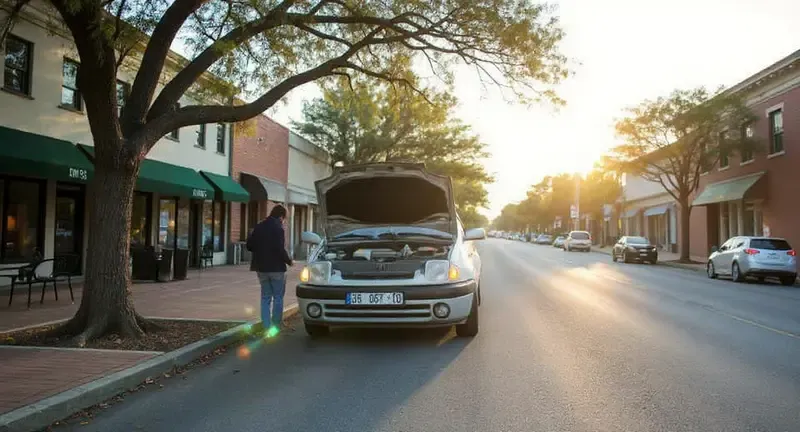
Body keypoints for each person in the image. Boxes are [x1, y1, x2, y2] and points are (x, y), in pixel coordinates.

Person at [246, 205, 293, 338]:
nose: (284, 221)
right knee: (278, 297)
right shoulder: (278, 228)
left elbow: (249, 246)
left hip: (261, 268)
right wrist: (289, 261)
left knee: (265, 297)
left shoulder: (259, 226)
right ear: (281, 216)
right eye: (284, 218)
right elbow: (279, 249)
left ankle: (266, 326)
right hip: (276, 268)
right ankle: (276, 326)